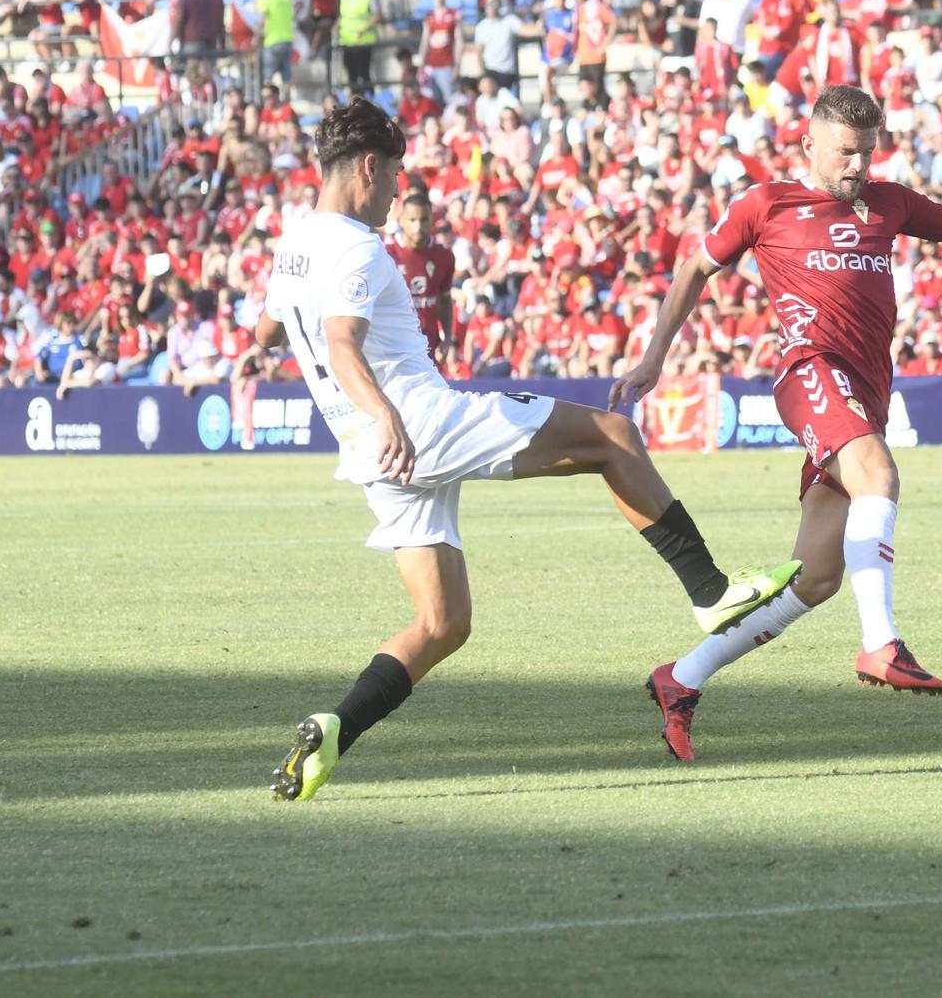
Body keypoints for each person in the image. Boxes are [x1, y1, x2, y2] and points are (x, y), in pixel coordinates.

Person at [259, 98, 798, 801]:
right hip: (417, 424)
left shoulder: (295, 241)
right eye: (393, 177)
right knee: (614, 435)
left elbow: (269, 333)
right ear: (368, 166)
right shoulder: (358, 245)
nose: (396, 195)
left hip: (368, 451)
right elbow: (339, 340)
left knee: (443, 623)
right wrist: (387, 409)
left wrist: (376, 381)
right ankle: (712, 592)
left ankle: (335, 728)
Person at [611, 84, 942, 759]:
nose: (857, 164)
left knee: (818, 578)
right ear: (809, 145)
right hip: (809, 371)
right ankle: (881, 642)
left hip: (864, 393)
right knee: (879, 473)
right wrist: (654, 358)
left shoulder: (889, 202)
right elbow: (693, 269)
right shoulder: (766, 203)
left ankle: (680, 677)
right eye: (844, 151)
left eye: (866, 150)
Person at [388, 190, 456, 360]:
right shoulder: (387, 253)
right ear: (402, 220)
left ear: (432, 220)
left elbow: (445, 299)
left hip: (429, 348)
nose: (418, 226)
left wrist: (446, 338)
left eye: (424, 220)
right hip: (393, 348)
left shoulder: (444, 255)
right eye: (412, 220)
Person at [336, 0, 378, 92]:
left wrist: (363, 30)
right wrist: (337, 25)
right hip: (346, 39)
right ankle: (355, 102)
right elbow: (344, 14)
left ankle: (369, 100)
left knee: (364, 73)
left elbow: (377, 16)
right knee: (351, 73)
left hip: (363, 40)